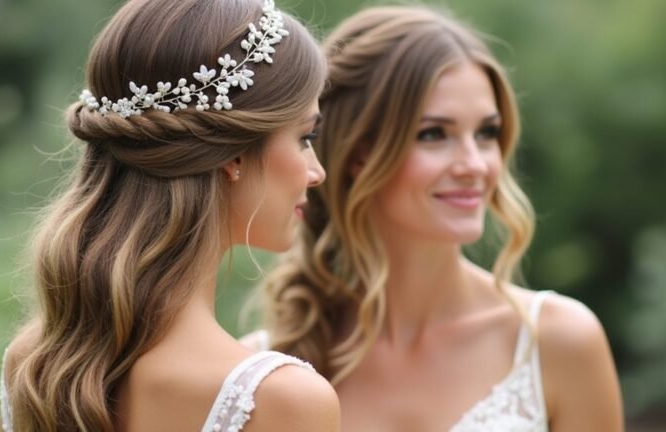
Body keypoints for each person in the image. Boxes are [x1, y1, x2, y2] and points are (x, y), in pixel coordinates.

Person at [252, 5, 624, 431]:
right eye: (434, 134)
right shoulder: (264, 373)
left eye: (486, 133)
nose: (476, 165)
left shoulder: (558, 343)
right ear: (358, 154)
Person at [0, 0, 340, 431]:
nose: (316, 172)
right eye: (305, 136)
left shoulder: (36, 366)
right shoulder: (282, 401)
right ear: (233, 153)